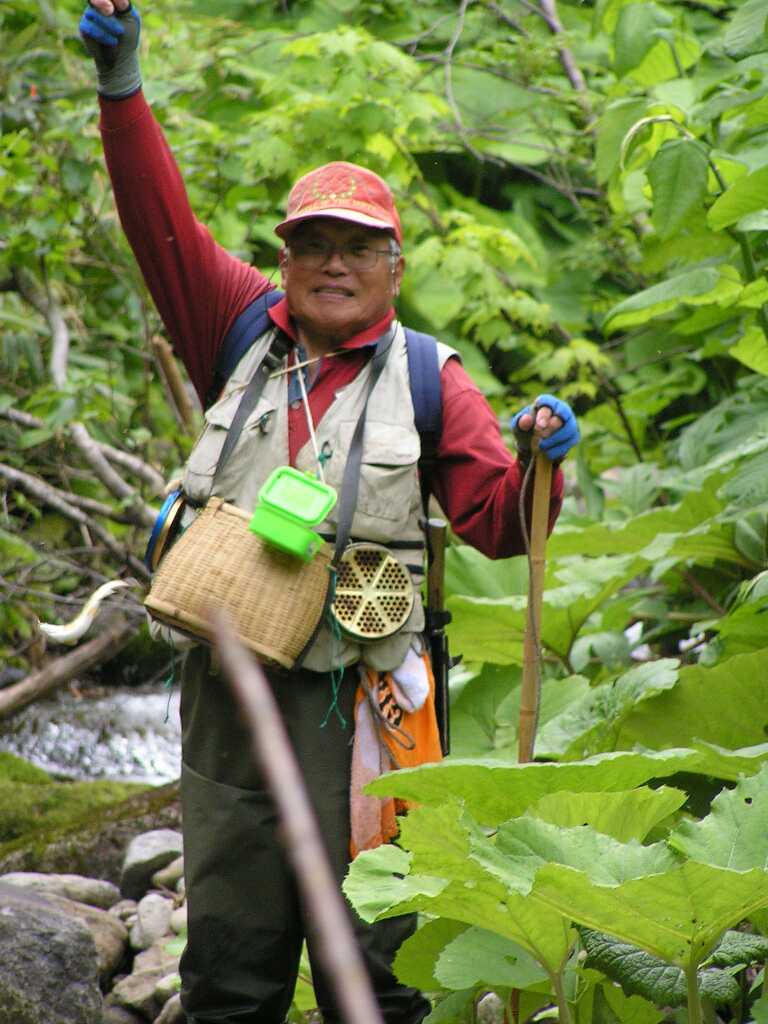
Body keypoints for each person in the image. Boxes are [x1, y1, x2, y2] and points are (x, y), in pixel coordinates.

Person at [79, 4, 580, 1022]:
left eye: (359, 246)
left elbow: (500, 528)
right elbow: (159, 224)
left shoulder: (432, 378)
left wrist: (541, 460)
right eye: (313, 245)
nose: (334, 263)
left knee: (381, 969)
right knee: (229, 971)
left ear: (395, 265)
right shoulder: (236, 328)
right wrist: (122, 86)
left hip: (368, 706)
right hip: (230, 697)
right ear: (287, 260)